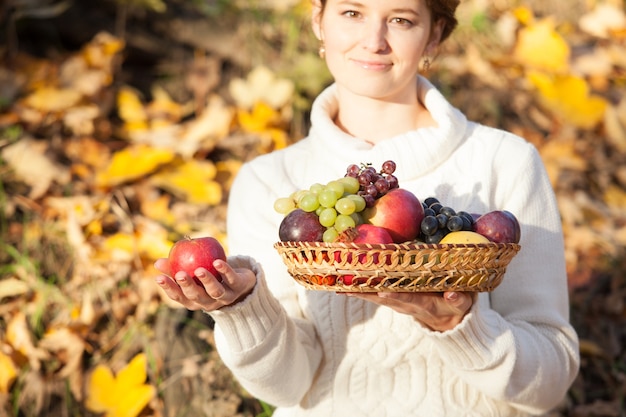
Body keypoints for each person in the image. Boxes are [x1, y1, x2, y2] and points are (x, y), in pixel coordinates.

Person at [154, 0, 580, 415]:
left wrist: (460, 328)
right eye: (352, 13)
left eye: (401, 19)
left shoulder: (505, 161)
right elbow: (288, 387)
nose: (374, 40)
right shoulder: (266, 180)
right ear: (320, 21)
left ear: (434, 34)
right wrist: (243, 308)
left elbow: (551, 381)